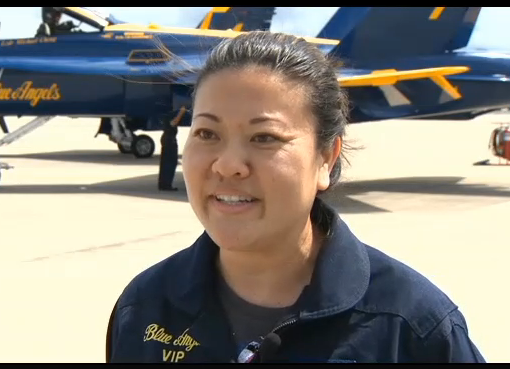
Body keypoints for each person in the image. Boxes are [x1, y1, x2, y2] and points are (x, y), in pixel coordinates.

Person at [105, 31, 486, 363]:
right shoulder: (145, 308)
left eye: (265, 137)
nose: (228, 165)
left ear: (325, 158)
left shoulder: (411, 325)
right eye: (207, 134)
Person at [158, 106, 188, 191]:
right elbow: (173, 122)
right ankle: (166, 184)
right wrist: (181, 112)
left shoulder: (164, 114)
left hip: (167, 138)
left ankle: (163, 184)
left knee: (165, 162)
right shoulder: (168, 114)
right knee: (170, 162)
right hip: (169, 139)